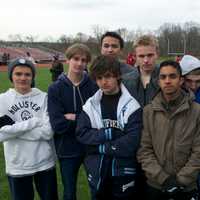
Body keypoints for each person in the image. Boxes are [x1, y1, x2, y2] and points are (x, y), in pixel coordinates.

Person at [76, 55, 142, 200]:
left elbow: (132, 141)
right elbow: (82, 133)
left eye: (107, 76)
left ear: (117, 75)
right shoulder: (90, 105)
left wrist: (100, 147)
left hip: (123, 172)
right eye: (99, 78)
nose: (103, 82)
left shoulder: (132, 106)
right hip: (97, 171)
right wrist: (110, 133)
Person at [137, 60, 200, 200]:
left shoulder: (196, 111)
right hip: (156, 185)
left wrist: (180, 181)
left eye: (172, 76)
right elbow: (144, 150)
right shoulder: (148, 112)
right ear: (158, 81)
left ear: (181, 80)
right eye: (163, 77)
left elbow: (198, 152)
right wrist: (163, 179)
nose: (167, 81)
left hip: (186, 187)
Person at [0, 58, 58, 200]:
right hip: (17, 164)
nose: (23, 78)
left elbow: (47, 132)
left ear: (32, 77)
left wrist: (13, 130)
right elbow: (1, 135)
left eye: (27, 74)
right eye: (18, 74)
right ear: (11, 76)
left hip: (44, 161)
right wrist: (34, 122)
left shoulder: (43, 97)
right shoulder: (2, 100)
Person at [48, 43, 98, 200]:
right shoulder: (55, 88)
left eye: (84, 60)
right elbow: (58, 124)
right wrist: (84, 119)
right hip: (67, 149)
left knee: (98, 188)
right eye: (76, 59)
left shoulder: (93, 86)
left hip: (91, 147)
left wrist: (74, 117)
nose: (80, 63)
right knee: (69, 192)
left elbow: (97, 120)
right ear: (68, 60)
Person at [123, 34, 160, 107]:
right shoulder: (125, 81)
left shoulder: (167, 79)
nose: (146, 60)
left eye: (150, 55)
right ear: (135, 57)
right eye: (141, 56)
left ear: (157, 54)